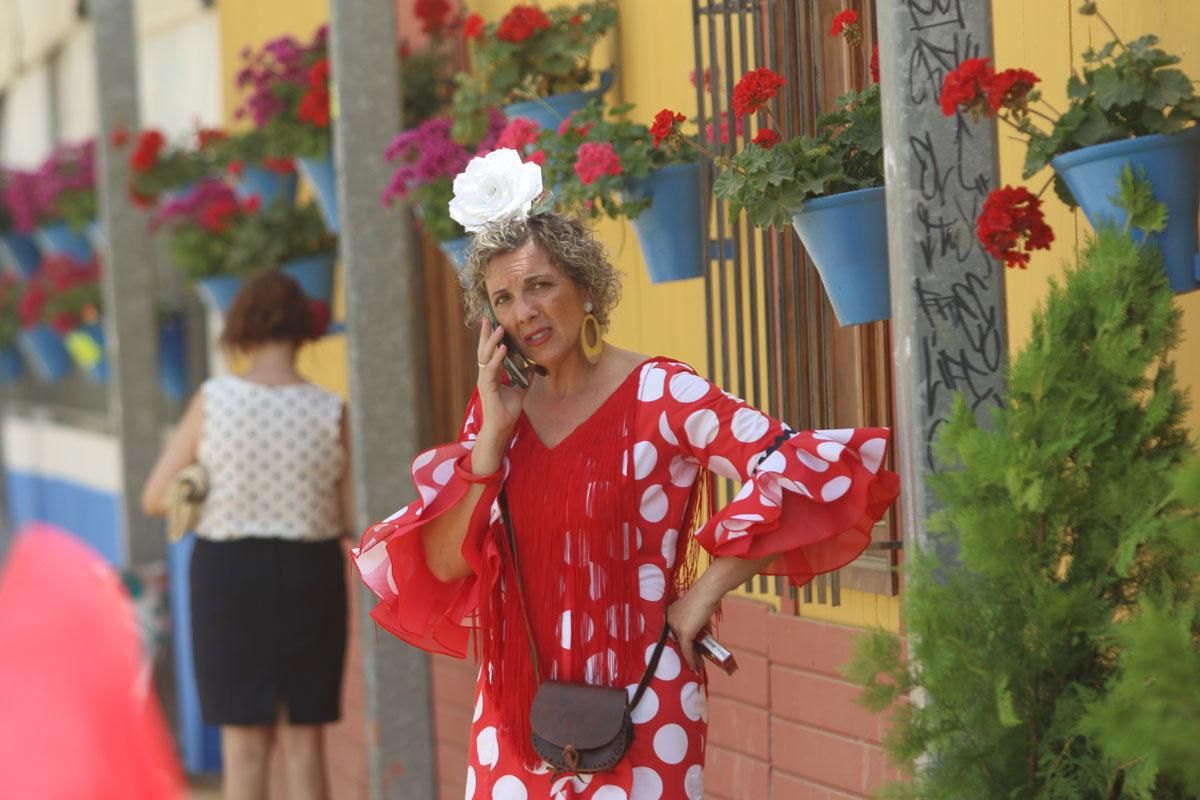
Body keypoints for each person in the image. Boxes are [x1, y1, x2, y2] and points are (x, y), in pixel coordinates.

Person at [354, 150, 900, 799]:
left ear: (585, 288)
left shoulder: (662, 393)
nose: (524, 312)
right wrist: (492, 445)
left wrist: (705, 593)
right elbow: (445, 564)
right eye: (503, 298)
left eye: (540, 285)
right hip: (516, 717)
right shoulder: (499, 414)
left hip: (645, 707)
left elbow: (806, 467)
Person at [142, 270, 352, 800]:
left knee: (243, 744)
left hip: (227, 575)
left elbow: (154, 496)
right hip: (312, 573)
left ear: (241, 328)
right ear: (303, 330)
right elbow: (349, 515)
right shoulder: (330, 409)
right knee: (306, 740)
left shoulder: (214, 400)